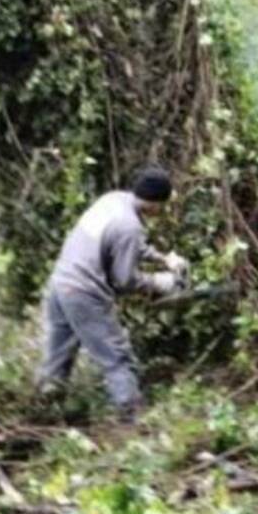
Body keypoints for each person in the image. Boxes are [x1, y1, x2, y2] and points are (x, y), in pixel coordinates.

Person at [35, 166, 188, 422]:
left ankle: (43, 415)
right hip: (84, 293)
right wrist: (162, 282)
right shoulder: (130, 227)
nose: (161, 211)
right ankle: (132, 421)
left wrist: (163, 259)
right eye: (162, 206)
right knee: (117, 357)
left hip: (61, 284)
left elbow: (118, 243)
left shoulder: (113, 200)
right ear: (155, 203)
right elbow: (124, 279)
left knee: (57, 360)